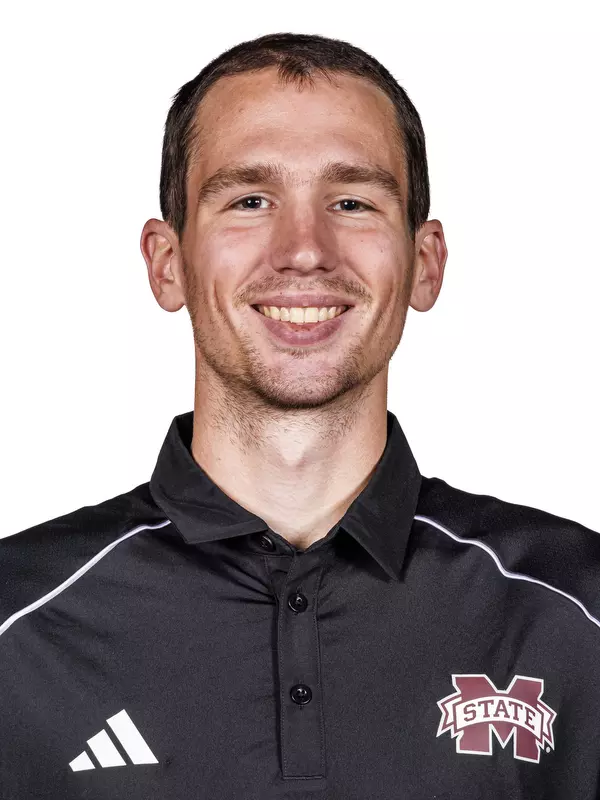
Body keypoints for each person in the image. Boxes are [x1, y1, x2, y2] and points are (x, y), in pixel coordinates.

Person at [1, 31, 598, 800]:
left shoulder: (573, 612)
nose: (305, 250)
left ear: (425, 263)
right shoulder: (19, 626)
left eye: (351, 201)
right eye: (250, 200)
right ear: (167, 261)